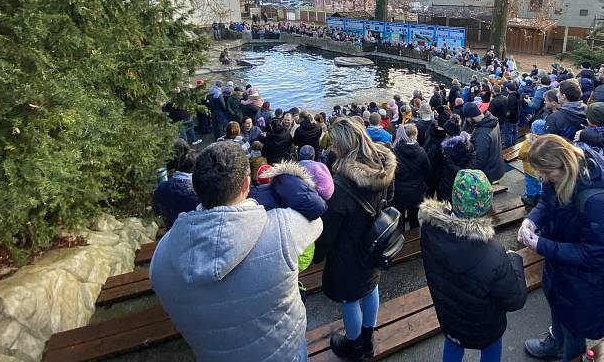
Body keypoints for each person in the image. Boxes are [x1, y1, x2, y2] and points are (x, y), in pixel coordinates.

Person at [149, 141, 322, 362]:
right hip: (284, 352)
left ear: (196, 188)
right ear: (247, 184)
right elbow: (316, 220)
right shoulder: (283, 229)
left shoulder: (161, 256)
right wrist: (285, 178)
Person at [519, 135, 604, 362]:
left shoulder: (598, 200)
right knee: (558, 305)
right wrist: (532, 220)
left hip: (584, 279)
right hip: (561, 266)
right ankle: (555, 342)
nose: (543, 178)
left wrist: (541, 245)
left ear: (563, 164)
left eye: (546, 173)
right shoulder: (558, 177)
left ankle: (571, 356)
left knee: (575, 327)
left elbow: (594, 254)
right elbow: (546, 203)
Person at [420, 169, 527, 362]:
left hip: (450, 317)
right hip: (486, 326)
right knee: (491, 350)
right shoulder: (492, 252)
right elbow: (516, 299)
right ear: (486, 204)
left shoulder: (429, 230)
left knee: (452, 345)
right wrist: (514, 259)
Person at [313, 117, 397, 360]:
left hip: (347, 252)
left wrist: (318, 255)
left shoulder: (340, 185)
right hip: (372, 243)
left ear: (343, 146)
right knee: (371, 287)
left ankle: (354, 345)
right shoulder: (382, 165)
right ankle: (368, 339)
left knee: (350, 298)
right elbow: (389, 198)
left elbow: (330, 229)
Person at [153, 139, 200, 229]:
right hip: (198, 233)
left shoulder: (161, 188)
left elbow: (157, 211)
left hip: (172, 231)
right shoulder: (201, 190)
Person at [392, 124, 432, 229]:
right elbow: (428, 172)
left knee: (399, 220)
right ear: (415, 135)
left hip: (399, 191)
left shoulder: (394, 151)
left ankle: (400, 242)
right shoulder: (421, 152)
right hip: (416, 191)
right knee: (414, 218)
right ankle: (415, 243)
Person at [463, 102, 504, 183]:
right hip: (495, 165)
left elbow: (479, 159)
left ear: (470, 118)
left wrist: (466, 170)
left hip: (487, 171)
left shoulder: (481, 134)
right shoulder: (491, 120)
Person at [438, 116, 475, 202]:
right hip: (465, 178)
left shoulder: (447, 148)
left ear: (448, 133)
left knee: (451, 200)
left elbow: (449, 164)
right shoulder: (469, 144)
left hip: (450, 180)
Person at [517, 120, 546, 207]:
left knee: (530, 182)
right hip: (541, 168)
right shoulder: (546, 140)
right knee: (539, 182)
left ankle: (530, 197)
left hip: (530, 168)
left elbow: (521, 154)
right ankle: (539, 195)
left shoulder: (529, 141)